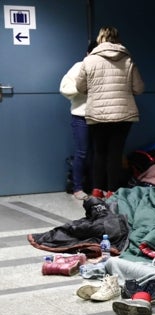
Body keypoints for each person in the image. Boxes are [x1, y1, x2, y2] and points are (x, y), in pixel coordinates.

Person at [75, 26, 145, 199]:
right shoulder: (127, 59)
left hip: (97, 114)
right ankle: (112, 191)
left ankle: (97, 190)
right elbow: (139, 88)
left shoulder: (89, 61)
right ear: (117, 39)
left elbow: (80, 87)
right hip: (123, 114)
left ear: (100, 38)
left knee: (99, 152)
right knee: (115, 153)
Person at [59, 41, 98, 200]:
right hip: (81, 116)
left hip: (102, 117)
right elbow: (64, 88)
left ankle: (98, 187)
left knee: (99, 154)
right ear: (87, 54)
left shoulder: (105, 68)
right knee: (82, 153)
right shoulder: (78, 67)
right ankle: (77, 187)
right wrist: (82, 88)